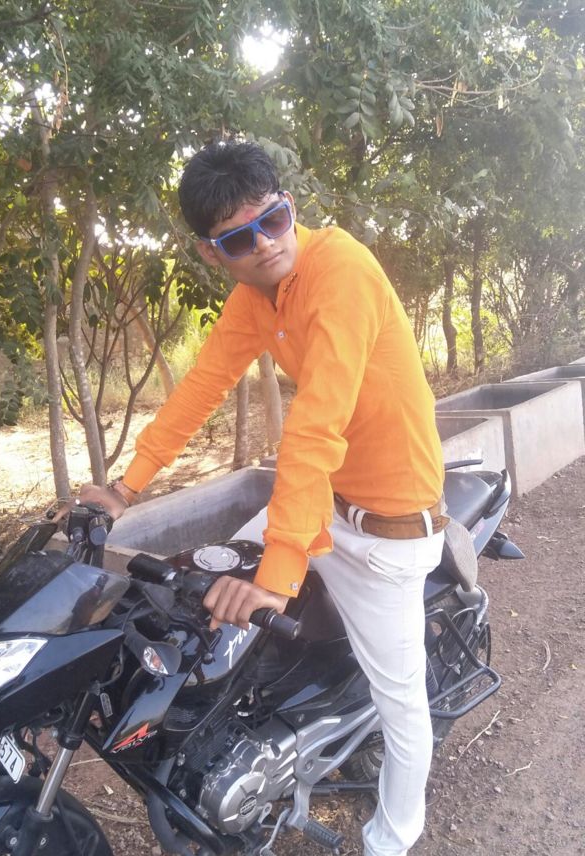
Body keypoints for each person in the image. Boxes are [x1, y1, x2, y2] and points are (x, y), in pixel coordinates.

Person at [77, 140, 447, 856]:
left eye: (273, 221)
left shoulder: (341, 271)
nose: (266, 245)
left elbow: (315, 425)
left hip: (389, 526)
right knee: (202, 589)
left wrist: (277, 577)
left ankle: (392, 839)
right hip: (322, 503)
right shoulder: (255, 298)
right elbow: (200, 388)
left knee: (402, 702)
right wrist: (125, 489)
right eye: (239, 239)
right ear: (212, 252)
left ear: (290, 207)